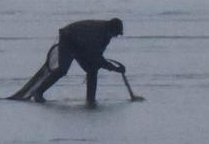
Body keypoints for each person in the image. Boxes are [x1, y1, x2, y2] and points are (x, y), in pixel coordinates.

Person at [10, 17, 139, 104]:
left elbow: (97, 58)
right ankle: (38, 93)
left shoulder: (106, 35)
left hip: (81, 44)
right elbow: (97, 58)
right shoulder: (99, 33)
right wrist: (115, 68)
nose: (117, 36)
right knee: (62, 70)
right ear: (112, 29)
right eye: (117, 33)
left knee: (93, 70)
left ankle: (90, 100)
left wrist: (109, 66)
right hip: (68, 38)